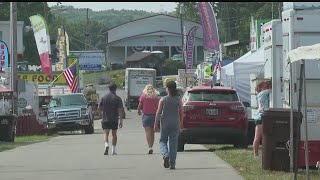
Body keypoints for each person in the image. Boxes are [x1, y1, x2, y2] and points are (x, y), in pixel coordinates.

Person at [154, 81, 182, 170]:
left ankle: (165, 155)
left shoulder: (163, 99)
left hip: (165, 123)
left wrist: (156, 124)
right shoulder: (178, 99)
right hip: (175, 123)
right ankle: (172, 163)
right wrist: (180, 123)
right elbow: (181, 113)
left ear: (168, 89)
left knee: (162, 140)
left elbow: (158, 112)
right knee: (173, 143)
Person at [98, 83, 124, 155]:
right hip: (114, 119)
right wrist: (121, 120)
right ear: (115, 89)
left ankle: (106, 145)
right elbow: (120, 110)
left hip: (105, 118)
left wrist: (100, 114)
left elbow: (99, 108)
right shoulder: (118, 98)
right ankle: (113, 150)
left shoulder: (104, 97)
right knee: (114, 134)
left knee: (106, 133)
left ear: (109, 89)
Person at [137, 84, 159, 154]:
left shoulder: (143, 96)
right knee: (152, 132)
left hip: (146, 115)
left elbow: (139, 106)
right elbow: (158, 106)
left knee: (148, 132)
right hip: (154, 116)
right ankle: (151, 146)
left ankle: (149, 147)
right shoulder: (155, 97)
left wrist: (139, 111)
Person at [253, 80, 272, 156]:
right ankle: (255, 154)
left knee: (260, 136)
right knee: (258, 136)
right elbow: (271, 90)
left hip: (261, 116)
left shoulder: (261, 94)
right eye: (264, 87)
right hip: (261, 116)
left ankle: (256, 153)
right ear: (260, 88)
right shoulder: (262, 93)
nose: (266, 88)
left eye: (267, 86)